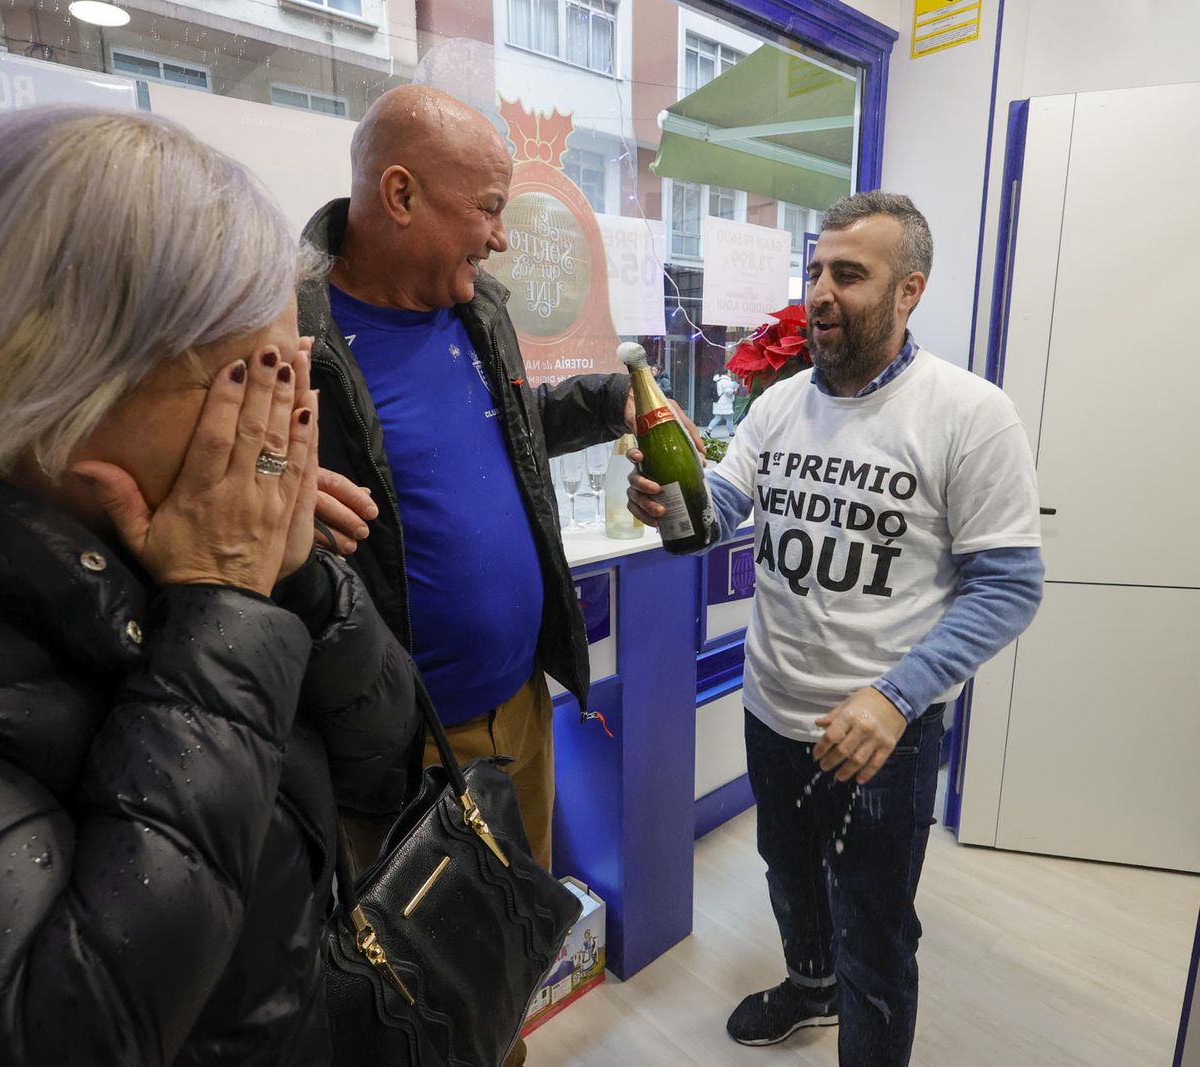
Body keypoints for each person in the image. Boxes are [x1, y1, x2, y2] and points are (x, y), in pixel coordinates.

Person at [0, 107, 417, 1066]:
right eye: (248, 381)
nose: (289, 419)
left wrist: (294, 575)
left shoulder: (204, 512)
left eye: (293, 368)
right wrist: (223, 609)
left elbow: (387, 754)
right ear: (64, 388)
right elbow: (62, 1031)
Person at [629, 191, 1044, 1066]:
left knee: (878, 930)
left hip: (881, 734)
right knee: (787, 873)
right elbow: (716, 519)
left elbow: (1008, 587)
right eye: (815, 270)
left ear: (908, 291)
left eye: (848, 275)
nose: (820, 291)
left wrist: (897, 699)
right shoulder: (779, 407)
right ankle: (809, 988)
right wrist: (669, 505)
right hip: (772, 705)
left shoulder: (970, 413)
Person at [299, 85, 687, 877]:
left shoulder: (476, 309)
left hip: (521, 706)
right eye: (487, 209)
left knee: (517, 944)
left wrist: (615, 399)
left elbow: (511, 430)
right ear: (400, 194)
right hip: (403, 747)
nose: (502, 239)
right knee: (424, 976)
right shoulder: (291, 336)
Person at [708, 371, 739, 438]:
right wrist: (734, 390)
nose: (730, 374)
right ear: (726, 373)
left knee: (717, 418)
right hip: (725, 404)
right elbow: (728, 392)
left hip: (719, 403)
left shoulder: (718, 380)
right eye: (729, 373)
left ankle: (708, 430)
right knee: (729, 419)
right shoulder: (725, 381)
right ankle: (731, 433)